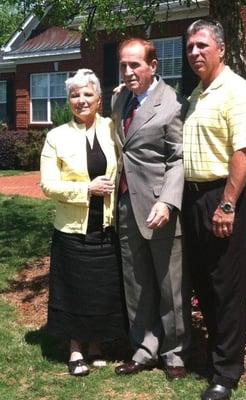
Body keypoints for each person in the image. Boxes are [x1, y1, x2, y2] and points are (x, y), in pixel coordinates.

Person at [182, 19, 246, 400]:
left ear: (221, 48)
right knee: (204, 283)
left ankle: (226, 374)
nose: (194, 52)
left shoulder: (237, 92)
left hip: (222, 197)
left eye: (201, 45)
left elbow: (243, 151)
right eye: (190, 47)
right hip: (193, 198)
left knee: (225, 288)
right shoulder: (197, 94)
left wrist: (227, 204)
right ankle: (215, 358)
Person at [111, 38, 191, 381]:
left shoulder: (172, 103)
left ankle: (175, 354)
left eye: (135, 65)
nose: (129, 72)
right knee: (137, 283)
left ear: (153, 66)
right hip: (127, 205)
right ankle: (144, 349)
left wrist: (168, 201)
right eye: (124, 66)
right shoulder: (119, 99)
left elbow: (178, 158)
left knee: (169, 286)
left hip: (160, 209)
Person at [40, 68, 127, 377]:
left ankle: (97, 346)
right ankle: (76, 348)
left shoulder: (110, 127)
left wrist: (125, 91)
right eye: (75, 95)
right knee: (75, 289)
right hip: (72, 230)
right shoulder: (56, 136)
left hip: (105, 226)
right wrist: (85, 190)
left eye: (88, 93)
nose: (81, 100)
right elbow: (48, 185)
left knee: (101, 288)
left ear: (99, 99)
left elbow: (131, 108)